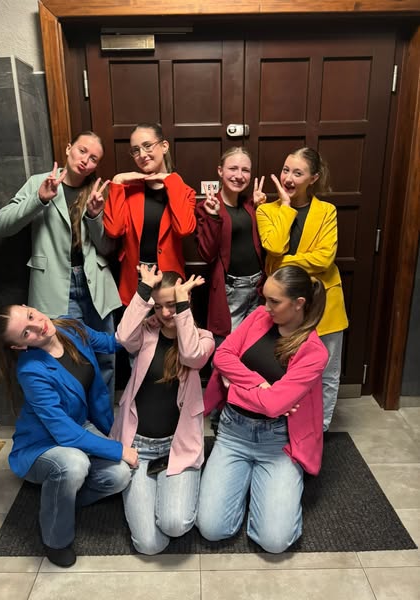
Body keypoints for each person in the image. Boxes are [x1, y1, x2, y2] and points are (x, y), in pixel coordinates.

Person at [0, 305, 138, 568]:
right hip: (41, 444)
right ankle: (55, 540)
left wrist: (145, 304)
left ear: (29, 307)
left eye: (31, 316)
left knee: (120, 476)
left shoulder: (69, 327)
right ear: (19, 346)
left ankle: (60, 499)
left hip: (78, 426)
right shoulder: (31, 371)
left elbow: (112, 343)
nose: (38, 326)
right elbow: (64, 433)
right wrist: (119, 450)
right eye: (26, 333)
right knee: (73, 464)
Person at [197, 265, 328, 553]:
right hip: (233, 434)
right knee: (212, 529)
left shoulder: (314, 351)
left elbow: (273, 405)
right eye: (265, 298)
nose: (266, 306)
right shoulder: (258, 317)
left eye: (274, 301)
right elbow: (222, 356)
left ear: (298, 303)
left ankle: (264, 487)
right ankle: (249, 486)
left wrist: (233, 387)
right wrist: (258, 384)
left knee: (274, 542)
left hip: (278, 444)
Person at [0, 131, 120, 401]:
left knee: (105, 357)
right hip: (54, 285)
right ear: (68, 148)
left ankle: (106, 420)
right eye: (82, 151)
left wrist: (94, 216)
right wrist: (39, 199)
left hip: (95, 285)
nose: (85, 160)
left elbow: (107, 248)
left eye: (94, 158)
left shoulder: (99, 192)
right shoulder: (39, 182)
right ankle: (77, 420)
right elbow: (2, 224)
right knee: (69, 359)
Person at [110, 264, 215, 554]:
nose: (165, 313)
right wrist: (144, 291)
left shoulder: (203, 338)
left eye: (172, 305)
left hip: (177, 447)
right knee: (149, 545)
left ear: (185, 302)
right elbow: (122, 338)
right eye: (159, 306)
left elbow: (191, 356)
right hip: (138, 447)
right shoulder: (146, 331)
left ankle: (178, 488)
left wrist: (182, 308)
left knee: (175, 523)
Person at [256, 147, 348, 430]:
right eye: (286, 170)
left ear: (313, 178)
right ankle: (284, 428)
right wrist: (285, 207)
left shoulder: (327, 211)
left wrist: (283, 264)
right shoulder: (266, 210)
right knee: (284, 369)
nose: (288, 178)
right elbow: (274, 246)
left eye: (298, 173)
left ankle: (319, 429)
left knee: (327, 373)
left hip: (325, 302)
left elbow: (324, 259)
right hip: (285, 306)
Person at [103, 122, 196, 306]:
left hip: (169, 284)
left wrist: (172, 180)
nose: (142, 155)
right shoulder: (127, 191)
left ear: (164, 146)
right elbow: (113, 230)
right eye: (136, 150)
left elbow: (184, 229)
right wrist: (117, 182)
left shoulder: (184, 191)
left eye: (147, 146)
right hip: (135, 281)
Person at [195, 146, 266, 345]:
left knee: (252, 346)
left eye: (245, 170)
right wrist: (213, 217)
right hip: (231, 291)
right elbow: (207, 254)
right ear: (220, 171)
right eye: (233, 168)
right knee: (227, 347)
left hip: (258, 287)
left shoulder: (251, 205)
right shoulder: (206, 207)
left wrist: (260, 209)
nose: (239, 175)